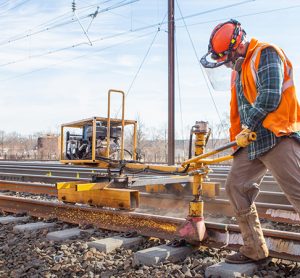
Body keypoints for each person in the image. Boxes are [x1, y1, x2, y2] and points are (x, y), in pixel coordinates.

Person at [200, 19, 300, 264]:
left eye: (226, 58)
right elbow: (240, 109)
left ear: (236, 47)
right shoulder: (240, 70)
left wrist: (247, 127)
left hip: (277, 135)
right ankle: (254, 249)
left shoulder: (265, 54)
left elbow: (269, 96)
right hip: (253, 140)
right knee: (236, 186)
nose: (225, 65)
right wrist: (238, 139)